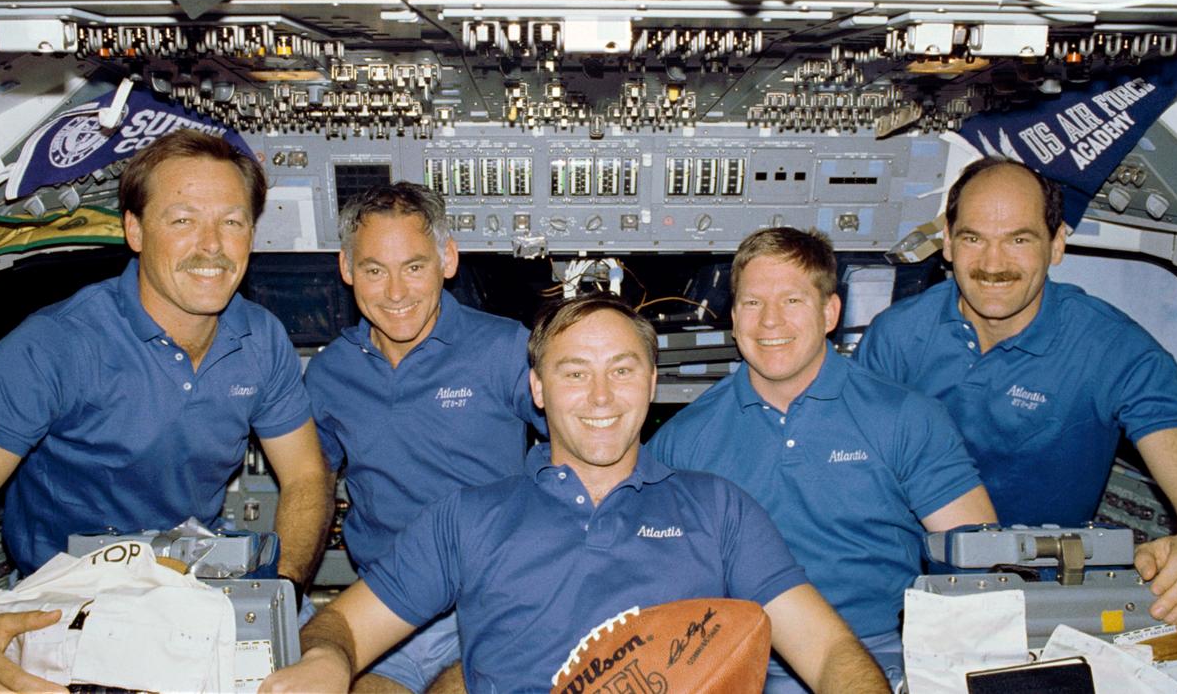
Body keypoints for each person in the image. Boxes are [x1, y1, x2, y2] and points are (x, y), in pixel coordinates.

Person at [263, 295, 890, 694]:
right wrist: (327, 662)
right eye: (574, 373)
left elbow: (831, 651)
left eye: (621, 370)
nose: (600, 397)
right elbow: (341, 626)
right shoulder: (470, 517)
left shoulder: (718, 510)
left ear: (650, 383)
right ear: (537, 389)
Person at [0, 129, 334, 693]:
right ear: (135, 230)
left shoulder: (260, 340)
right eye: (183, 219)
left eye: (232, 221)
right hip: (68, 595)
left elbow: (308, 476)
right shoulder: (53, 346)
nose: (211, 245)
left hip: (193, 581)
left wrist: (279, 591)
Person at [856, 156, 1177, 633]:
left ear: (1057, 244)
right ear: (948, 244)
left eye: (1018, 239)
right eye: (973, 238)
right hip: (898, 579)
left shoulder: (1117, 351)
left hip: (1039, 595)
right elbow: (854, 471)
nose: (993, 264)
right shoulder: (896, 335)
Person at [648, 227, 996, 691]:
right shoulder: (683, 441)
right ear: (734, 318)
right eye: (753, 303)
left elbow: (982, 564)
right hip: (743, 659)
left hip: (889, 652)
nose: (770, 321)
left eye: (792, 301)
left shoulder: (905, 418)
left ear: (830, 312)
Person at [304, 182, 545, 693]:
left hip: (492, 603)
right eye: (374, 269)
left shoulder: (505, 349)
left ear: (447, 260)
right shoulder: (330, 374)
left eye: (414, 266)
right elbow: (311, 479)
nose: (396, 292)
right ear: (347, 270)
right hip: (384, 605)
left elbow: (579, 453)